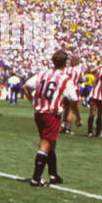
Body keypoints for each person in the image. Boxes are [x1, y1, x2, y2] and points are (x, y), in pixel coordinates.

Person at [24, 49, 78, 187]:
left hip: (39, 112)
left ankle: (53, 174)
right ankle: (36, 178)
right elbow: (73, 99)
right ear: (65, 63)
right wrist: (78, 117)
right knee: (46, 143)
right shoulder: (65, 78)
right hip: (51, 113)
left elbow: (26, 86)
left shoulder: (43, 73)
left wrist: (33, 102)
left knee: (51, 144)